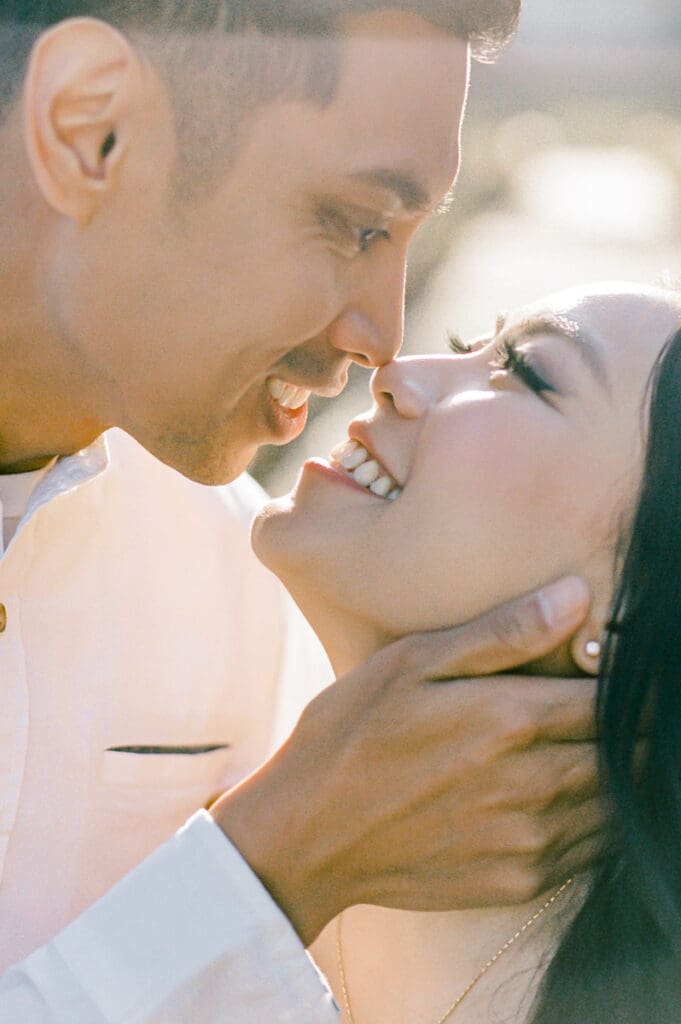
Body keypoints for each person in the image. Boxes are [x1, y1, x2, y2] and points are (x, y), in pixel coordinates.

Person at [0, 4, 603, 1022]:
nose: (384, 337)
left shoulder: (232, 585)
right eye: (357, 223)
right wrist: (272, 860)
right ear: (88, 129)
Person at [253, 276, 681, 1024]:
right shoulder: (179, 793)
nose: (396, 373)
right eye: (471, 347)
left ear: (642, 603)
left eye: (525, 373)